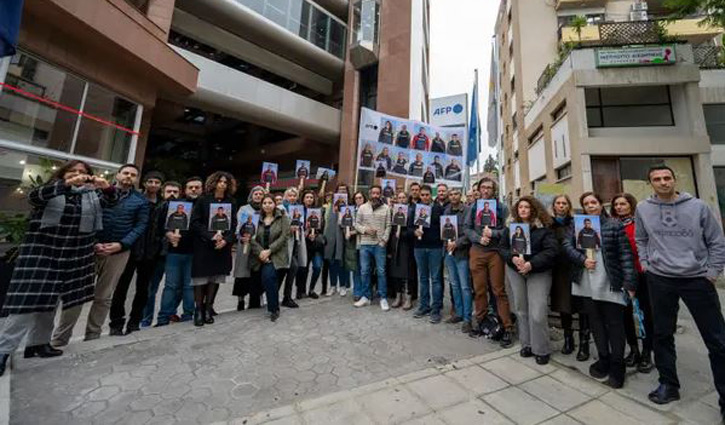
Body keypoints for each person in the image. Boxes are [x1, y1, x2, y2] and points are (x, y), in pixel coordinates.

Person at [0, 161, 115, 374]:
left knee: (50, 302)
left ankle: (38, 344)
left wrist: (106, 187)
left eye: (83, 173)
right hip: (42, 253)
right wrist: (67, 184)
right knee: (26, 303)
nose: (78, 175)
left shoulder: (91, 195)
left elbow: (112, 200)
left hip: (73, 255)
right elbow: (34, 197)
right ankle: (3, 349)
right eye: (73, 172)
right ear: (63, 174)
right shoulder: (50, 189)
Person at [635, 165, 725, 417]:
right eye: (657, 179)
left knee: (717, 340)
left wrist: (712, 273)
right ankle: (668, 384)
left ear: (675, 180)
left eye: (667, 178)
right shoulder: (643, 208)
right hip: (660, 279)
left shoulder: (697, 207)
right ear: (650, 183)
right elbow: (641, 239)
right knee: (662, 334)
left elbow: (717, 241)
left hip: (697, 280)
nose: (663, 182)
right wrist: (646, 264)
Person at [51, 164, 149, 347]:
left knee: (104, 297)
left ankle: (92, 336)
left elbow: (140, 226)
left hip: (118, 253)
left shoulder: (140, 200)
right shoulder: (95, 191)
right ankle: (60, 338)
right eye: (125, 173)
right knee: (76, 294)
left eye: (133, 175)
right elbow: (85, 216)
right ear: (118, 174)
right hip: (89, 249)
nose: (129, 177)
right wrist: (93, 241)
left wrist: (121, 244)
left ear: (137, 179)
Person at [564, 192, 635, 389]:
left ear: (600, 204)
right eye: (586, 203)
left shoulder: (613, 225)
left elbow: (625, 254)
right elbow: (567, 245)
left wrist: (629, 283)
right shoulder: (576, 225)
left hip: (609, 281)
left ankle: (617, 365)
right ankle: (603, 358)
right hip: (586, 281)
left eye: (593, 202)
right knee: (595, 322)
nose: (590, 206)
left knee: (615, 324)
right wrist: (581, 260)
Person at [500, 196, 558, 365]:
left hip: (538, 271)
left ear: (534, 209)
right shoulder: (510, 227)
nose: (523, 210)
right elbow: (502, 248)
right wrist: (513, 259)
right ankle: (526, 344)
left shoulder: (544, 227)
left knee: (538, 311)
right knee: (521, 309)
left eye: (527, 207)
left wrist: (531, 263)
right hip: (515, 270)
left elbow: (552, 250)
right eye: (520, 207)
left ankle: (541, 348)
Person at [109, 171, 165, 335]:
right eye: (150, 181)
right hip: (131, 248)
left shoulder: (163, 204)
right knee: (121, 288)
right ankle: (116, 323)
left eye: (157, 182)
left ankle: (135, 321)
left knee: (143, 290)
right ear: (144, 183)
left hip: (151, 251)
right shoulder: (136, 199)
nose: (153, 185)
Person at [465, 177, 513, 347]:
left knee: (499, 290)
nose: (486, 190)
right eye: (483, 187)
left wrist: (494, 234)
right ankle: (481, 321)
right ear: (479, 190)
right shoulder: (473, 207)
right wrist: (478, 238)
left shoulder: (502, 208)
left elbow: (508, 229)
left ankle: (507, 327)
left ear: (494, 191)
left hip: (495, 253)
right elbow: (467, 228)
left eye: (489, 188)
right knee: (479, 290)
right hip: (477, 251)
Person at [611, 192, 654, 373]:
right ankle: (633, 350)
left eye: (623, 204)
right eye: (617, 204)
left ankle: (646, 352)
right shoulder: (613, 226)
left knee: (645, 314)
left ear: (631, 205)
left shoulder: (639, 223)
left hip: (642, 273)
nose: (620, 207)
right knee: (625, 314)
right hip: (621, 275)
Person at [189, 172, 237, 327]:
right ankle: (198, 310)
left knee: (215, 278)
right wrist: (210, 236)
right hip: (204, 246)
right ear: (214, 183)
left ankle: (209, 307)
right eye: (220, 181)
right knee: (201, 279)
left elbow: (234, 225)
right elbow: (195, 223)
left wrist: (226, 240)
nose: (222, 184)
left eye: (225, 182)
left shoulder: (231, 202)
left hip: (222, 247)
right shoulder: (203, 200)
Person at [154, 178, 203, 326]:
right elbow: (161, 225)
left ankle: (188, 316)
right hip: (174, 252)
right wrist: (168, 234)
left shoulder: (205, 205)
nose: (193, 190)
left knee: (189, 286)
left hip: (195, 253)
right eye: (190, 187)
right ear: (185, 190)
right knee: (171, 286)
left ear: (202, 189)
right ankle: (164, 317)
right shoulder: (175, 205)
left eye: (197, 187)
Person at [550, 195, 590, 361]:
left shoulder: (577, 223)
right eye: (558, 203)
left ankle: (584, 342)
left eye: (564, 203)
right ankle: (568, 338)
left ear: (569, 206)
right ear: (554, 206)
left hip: (576, 267)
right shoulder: (548, 224)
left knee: (582, 307)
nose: (561, 206)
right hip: (558, 270)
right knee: (564, 306)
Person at [139, 180, 182, 327]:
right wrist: (166, 235)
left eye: (175, 192)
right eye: (169, 191)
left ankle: (167, 315)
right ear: (163, 193)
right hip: (157, 254)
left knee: (174, 288)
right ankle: (146, 319)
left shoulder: (184, 211)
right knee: (151, 289)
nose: (172, 195)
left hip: (176, 254)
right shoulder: (157, 209)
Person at [250, 194, 290, 322]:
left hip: (277, 254)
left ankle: (274, 308)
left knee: (269, 278)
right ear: (262, 205)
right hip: (261, 255)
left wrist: (270, 250)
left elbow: (284, 237)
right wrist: (261, 252)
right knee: (268, 279)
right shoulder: (256, 218)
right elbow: (251, 237)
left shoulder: (282, 218)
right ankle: (273, 306)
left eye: (270, 202)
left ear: (274, 204)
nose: (267, 205)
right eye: (265, 203)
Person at [410, 185, 445, 323]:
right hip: (419, 247)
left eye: (427, 195)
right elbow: (409, 228)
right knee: (423, 278)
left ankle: (435, 309)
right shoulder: (415, 209)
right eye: (422, 195)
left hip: (435, 248)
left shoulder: (438, 209)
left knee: (435, 279)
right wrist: (414, 232)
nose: (424, 197)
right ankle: (424, 306)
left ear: (431, 195)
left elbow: (444, 228)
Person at [353, 185, 391, 310]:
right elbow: (356, 224)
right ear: (369, 194)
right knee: (365, 271)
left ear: (380, 194)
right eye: (373, 193)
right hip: (365, 244)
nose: (375, 195)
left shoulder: (386, 208)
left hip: (379, 245)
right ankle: (366, 297)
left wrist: (384, 240)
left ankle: (383, 298)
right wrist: (365, 230)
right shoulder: (362, 208)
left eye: (377, 193)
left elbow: (389, 226)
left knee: (381, 271)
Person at [443, 188, 472, 332]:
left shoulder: (467, 211)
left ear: (460, 195)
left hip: (462, 253)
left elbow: (468, 234)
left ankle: (467, 318)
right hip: (449, 254)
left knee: (465, 286)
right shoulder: (446, 212)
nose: (453, 196)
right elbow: (443, 232)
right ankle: (459, 313)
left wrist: (457, 243)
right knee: (454, 285)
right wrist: (447, 244)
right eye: (451, 194)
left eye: (456, 194)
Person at [233, 186, 266, 311]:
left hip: (258, 246)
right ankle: (240, 300)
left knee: (256, 273)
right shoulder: (244, 209)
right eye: (256, 193)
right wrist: (241, 236)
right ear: (251, 195)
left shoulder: (266, 209)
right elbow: (238, 226)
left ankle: (255, 300)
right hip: (245, 245)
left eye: (260, 194)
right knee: (242, 273)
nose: (258, 196)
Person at [387, 191, 416, 310]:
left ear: (408, 199)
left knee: (407, 272)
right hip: (395, 245)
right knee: (395, 271)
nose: (401, 199)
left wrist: (403, 233)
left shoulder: (412, 211)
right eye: (399, 197)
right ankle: (398, 296)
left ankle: (408, 297)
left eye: (404, 197)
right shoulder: (393, 211)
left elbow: (414, 230)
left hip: (407, 245)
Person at [324, 184, 352, 298]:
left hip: (344, 237)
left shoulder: (350, 205)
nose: (342, 192)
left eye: (344, 190)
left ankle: (343, 285)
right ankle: (333, 285)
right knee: (332, 262)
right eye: (340, 190)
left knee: (342, 262)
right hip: (331, 238)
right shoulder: (330, 206)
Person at [297, 191, 325, 298]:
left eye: (311, 197)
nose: (309, 199)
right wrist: (306, 232)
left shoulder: (318, 211)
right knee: (303, 268)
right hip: (304, 244)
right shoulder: (299, 211)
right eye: (307, 197)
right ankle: (301, 290)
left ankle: (312, 289)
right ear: (303, 199)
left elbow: (322, 226)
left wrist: (317, 230)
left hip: (316, 244)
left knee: (317, 267)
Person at [350, 191, 366, 302]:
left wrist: (356, 231)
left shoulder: (368, 210)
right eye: (356, 198)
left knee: (365, 269)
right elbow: (346, 224)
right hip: (353, 244)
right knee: (356, 269)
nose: (358, 200)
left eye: (360, 198)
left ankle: (365, 291)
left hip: (365, 242)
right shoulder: (351, 211)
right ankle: (357, 292)